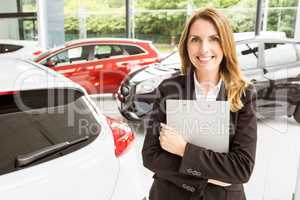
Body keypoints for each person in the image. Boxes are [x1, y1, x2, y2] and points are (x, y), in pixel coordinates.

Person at [142, 7, 257, 200]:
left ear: (225, 44)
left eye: (214, 38)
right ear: (186, 45)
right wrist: (212, 175)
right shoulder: (169, 89)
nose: (204, 48)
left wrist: (182, 149)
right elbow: (151, 156)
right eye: (195, 39)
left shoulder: (244, 94)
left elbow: (241, 169)